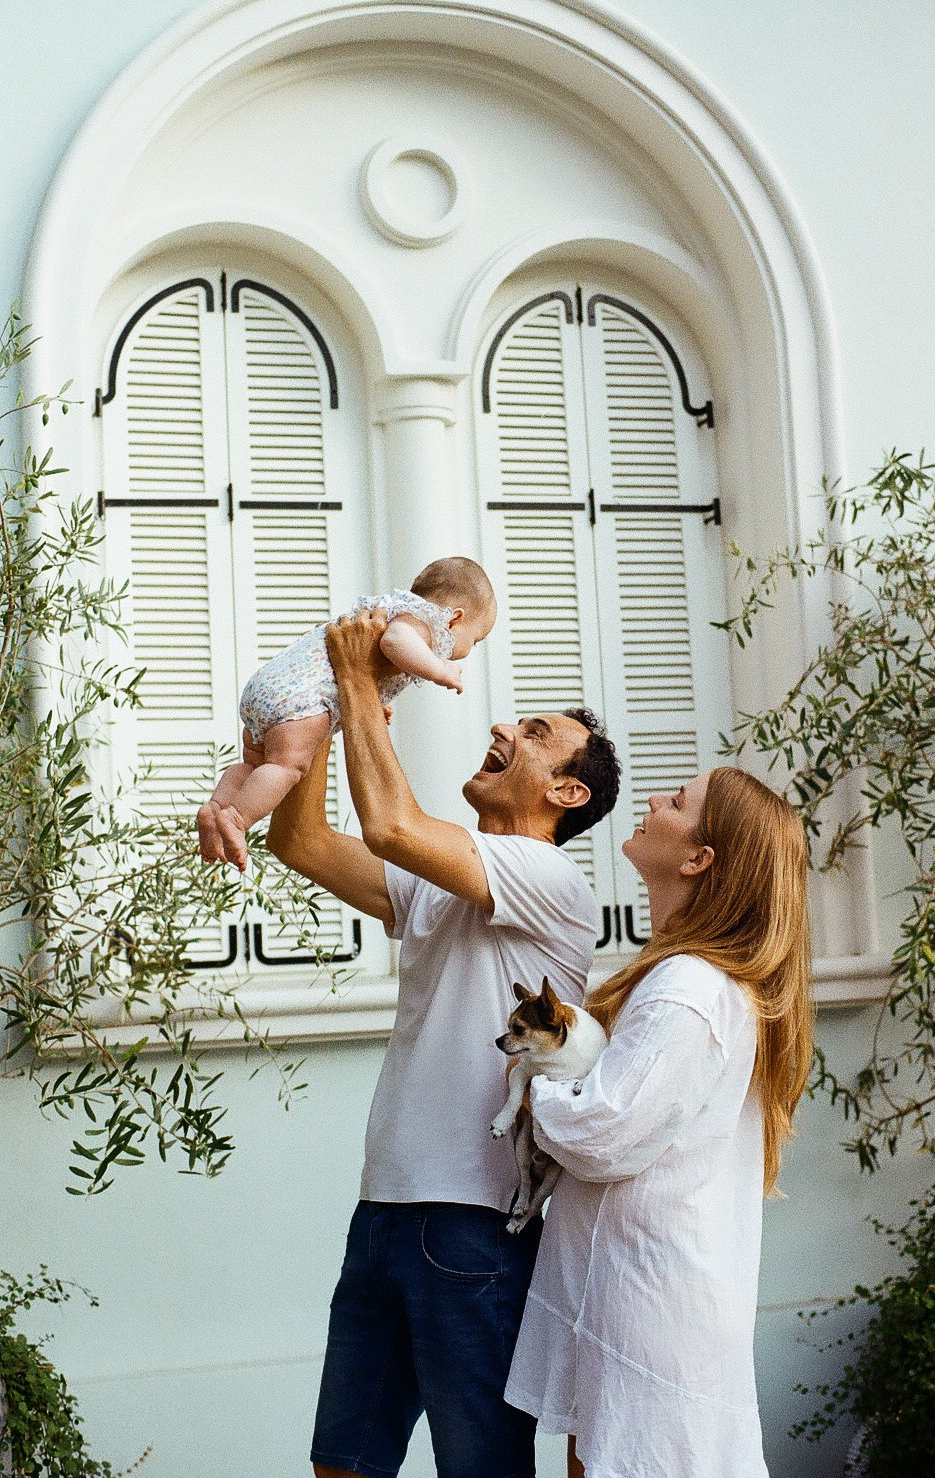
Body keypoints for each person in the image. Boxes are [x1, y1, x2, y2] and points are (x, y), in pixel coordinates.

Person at [266, 607, 622, 1478]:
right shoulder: (441, 883)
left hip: (472, 1224)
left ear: (564, 793)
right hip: (384, 1205)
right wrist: (310, 715)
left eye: (533, 734)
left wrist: (356, 681)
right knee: (342, 1464)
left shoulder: (549, 878)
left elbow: (390, 824)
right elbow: (299, 839)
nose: (503, 726)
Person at [505, 768, 813, 1478]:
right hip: (638, 1292)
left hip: (647, 1304)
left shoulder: (689, 988)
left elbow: (602, 1131)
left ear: (698, 857)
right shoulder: (691, 978)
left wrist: (529, 1085)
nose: (651, 802)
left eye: (676, 802)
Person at [197, 556, 496, 869]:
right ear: (454, 620)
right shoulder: (420, 623)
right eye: (474, 640)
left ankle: (217, 806)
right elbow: (395, 643)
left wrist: (373, 701)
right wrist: (439, 669)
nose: (467, 650)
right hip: (300, 701)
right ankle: (236, 818)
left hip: (268, 689)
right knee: (287, 766)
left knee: (254, 764)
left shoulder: (391, 612)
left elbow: (361, 664)